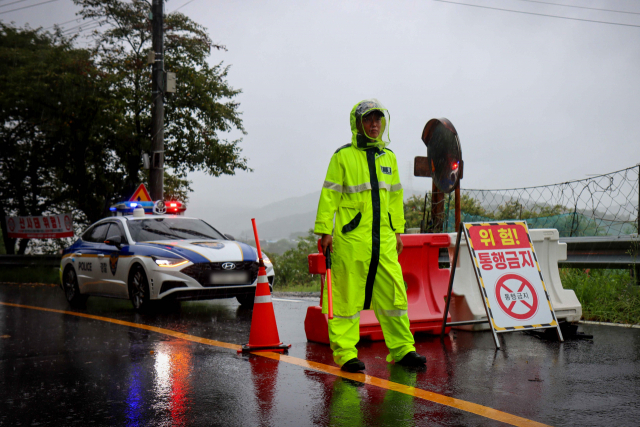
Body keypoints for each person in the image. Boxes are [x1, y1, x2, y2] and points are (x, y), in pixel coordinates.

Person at [314, 99, 427, 372]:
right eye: (368, 120)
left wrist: (397, 230)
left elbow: (395, 198)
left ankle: (403, 350)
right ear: (358, 124)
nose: (374, 125)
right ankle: (346, 354)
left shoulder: (389, 157)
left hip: (385, 241)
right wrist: (324, 230)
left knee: (394, 297)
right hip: (352, 240)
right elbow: (330, 194)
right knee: (346, 299)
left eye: (378, 120)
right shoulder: (342, 156)